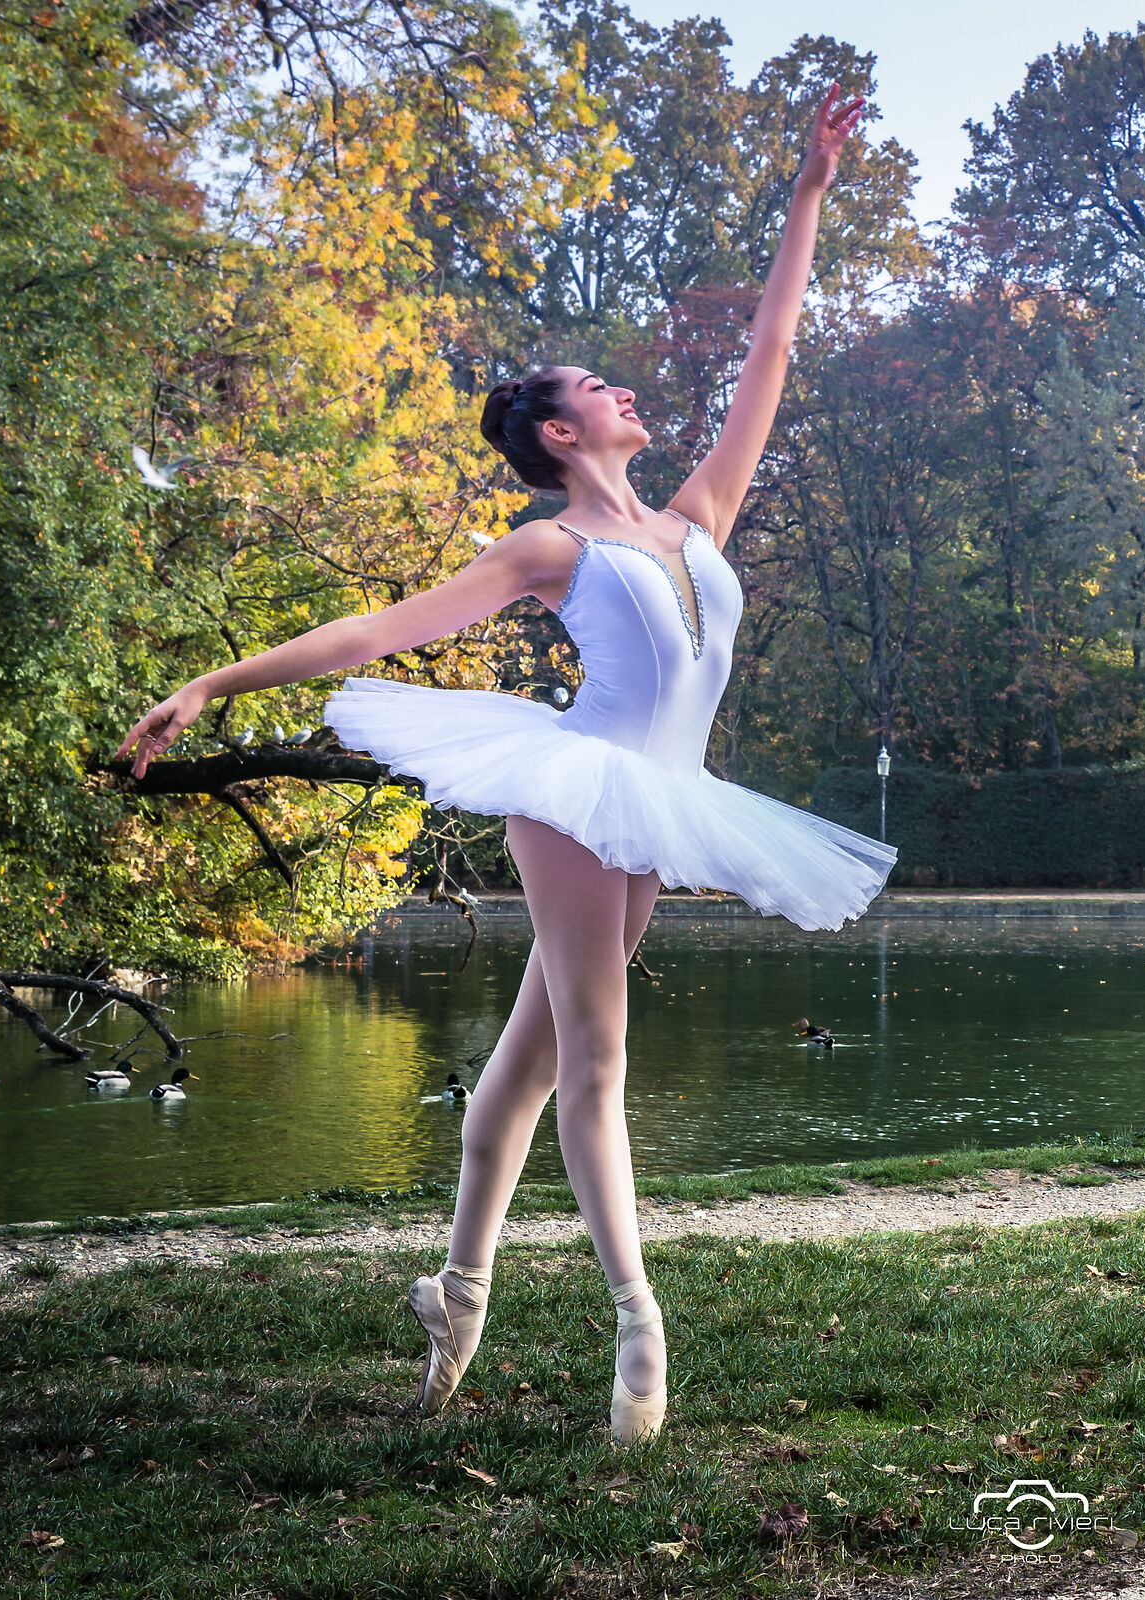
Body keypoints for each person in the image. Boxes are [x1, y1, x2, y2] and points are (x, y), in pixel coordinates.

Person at [116, 88, 895, 1444]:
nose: (623, 388)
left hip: (663, 800)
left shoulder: (697, 518)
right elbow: (380, 630)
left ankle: (457, 1297)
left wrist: (811, 191)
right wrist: (215, 682)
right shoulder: (552, 548)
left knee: (518, 1079)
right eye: (596, 385)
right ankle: (638, 1319)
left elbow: (772, 347)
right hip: (576, 790)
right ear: (561, 434)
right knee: (597, 1057)